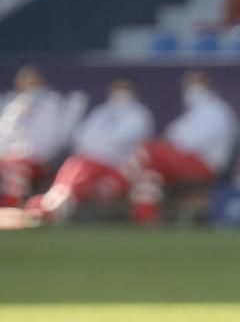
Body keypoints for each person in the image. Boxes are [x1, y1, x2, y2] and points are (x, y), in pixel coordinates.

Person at [25, 78, 154, 224]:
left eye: (124, 89)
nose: (120, 94)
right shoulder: (101, 112)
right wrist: (94, 146)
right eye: (117, 89)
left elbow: (124, 140)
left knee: (81, 173)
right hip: (87, 160)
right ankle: (51, 203)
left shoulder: (139, 114)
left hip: (114, 166)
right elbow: (81, 136)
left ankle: (56, 210)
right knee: (72, 169)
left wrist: (98, 145)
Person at [126, 70, 237, 225]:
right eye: (189, 84)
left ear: (207, 85)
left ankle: (144, 212)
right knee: (150, 168)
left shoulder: (216, 110)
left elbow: (186, 142)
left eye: (196, 84)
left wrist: (167, 146)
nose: (191, 89)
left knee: (148, 153)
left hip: (205, 165)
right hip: (185, 160)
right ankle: (146, 214)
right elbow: (170, 136)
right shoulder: (194, 112)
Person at [0, 66, 65, 207]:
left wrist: (25, 154)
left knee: (14, 167)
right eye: (27, 83)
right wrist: (17, 115)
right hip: (7, 157)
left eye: (34, 84)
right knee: (9, 164)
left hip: (35, 160)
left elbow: (52, 139)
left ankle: (11, 209)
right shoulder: (11, 104)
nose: (30, 88)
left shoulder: (51, 103)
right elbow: (3, 135)